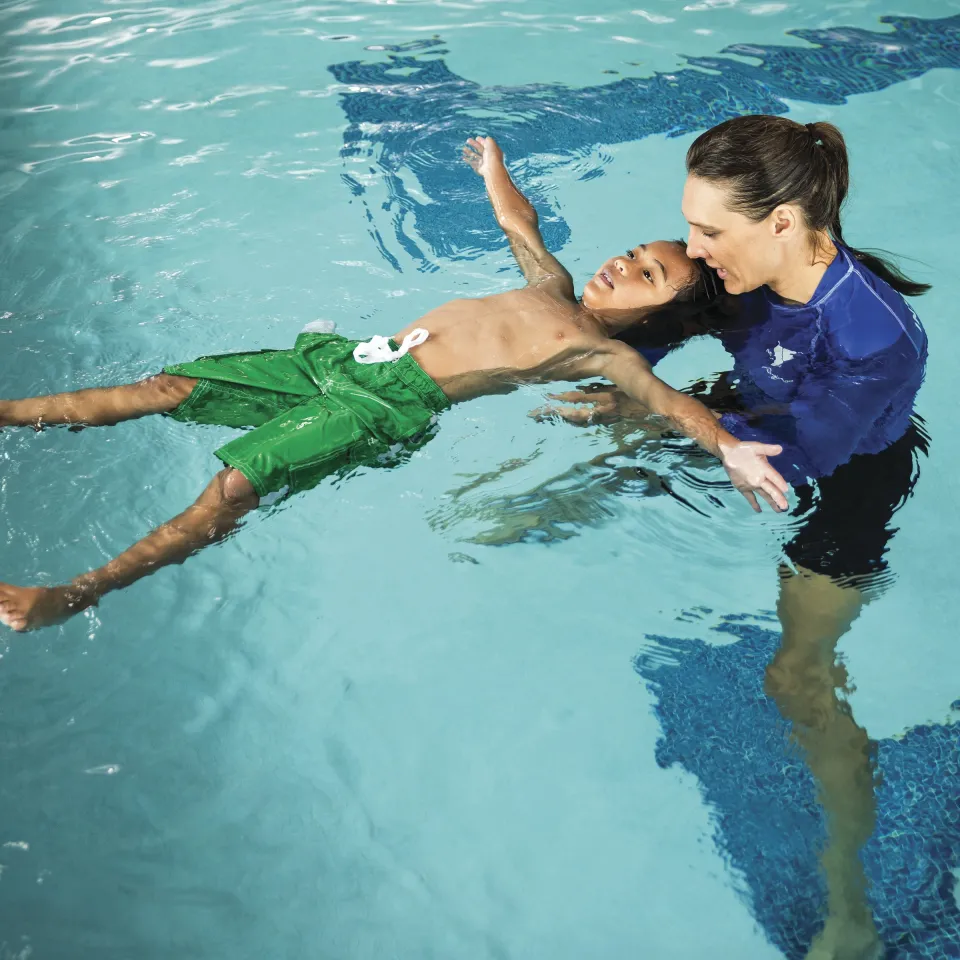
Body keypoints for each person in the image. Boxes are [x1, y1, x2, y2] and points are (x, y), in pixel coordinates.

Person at [0, 135, 788, 634]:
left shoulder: (599, 356)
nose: (624, 264)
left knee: (232, 488)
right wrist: (494, 170)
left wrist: (730, 448)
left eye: (648, 274)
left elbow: (670, 402)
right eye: (634, 251)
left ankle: (74, 595)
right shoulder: (552, 286)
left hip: (383, 404)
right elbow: (521, 225)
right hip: (350, 360)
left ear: (657, 317)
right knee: (168, 386)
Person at [538, 115, 928, 960]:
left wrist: (663, 411)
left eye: (710, 230)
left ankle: (851, 913)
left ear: (782, 222)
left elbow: (808, 458)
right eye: (690, 225)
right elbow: (633, 327)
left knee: (795, 680)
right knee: (600, 429)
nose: (695, 246)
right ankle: (530, 518)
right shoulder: (742, 271)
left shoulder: (873, 338)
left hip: (848, 478)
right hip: (749, 410)